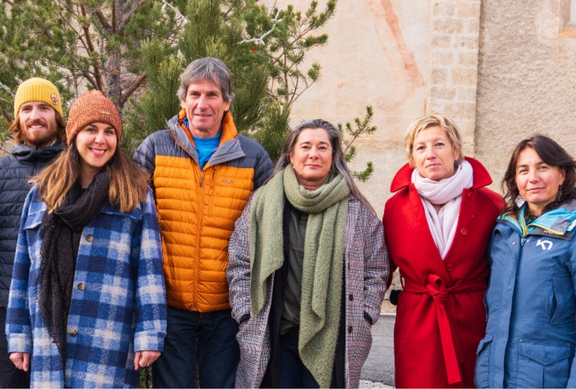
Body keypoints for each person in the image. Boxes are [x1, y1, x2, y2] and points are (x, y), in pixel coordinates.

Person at [5, 90, 166, 387]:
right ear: (73, 135)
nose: (100, 140)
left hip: (107, 334)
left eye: (109, 132)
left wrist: (150, 333)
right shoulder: (42, 194)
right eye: (90, 129)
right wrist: (17, 334)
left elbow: (149, 270)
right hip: (48, 337)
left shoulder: (135, 195)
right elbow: (22, 270)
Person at [132, 56, 273, 388]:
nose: (202, 104)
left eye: (212, 95)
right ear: (182, 100)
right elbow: (125, 210)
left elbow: (278, 219)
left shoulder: (252, 156)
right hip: (170, 303)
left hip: (227, 308)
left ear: (226, 102)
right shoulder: (156, 146)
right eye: (194, 94)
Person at [227, 119, 389, 388]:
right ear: (291, 155)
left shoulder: (356, 210)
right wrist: (245, 312)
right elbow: (239, 262)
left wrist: (365, 316)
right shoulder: (263, 201)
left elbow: (377, 269)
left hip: (332, 339)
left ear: (333, 156)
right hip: (276, 336)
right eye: (306, 146)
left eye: (322, 147)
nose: (313, 154)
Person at [383, 114, 503, 388]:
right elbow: (381, 268)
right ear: (411, 157)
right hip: (418, 321)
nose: (430, 154)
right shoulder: (395, 208)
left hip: (472, 319)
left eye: (439, 144)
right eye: (421, 147)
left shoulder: (490, 203)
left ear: (456, 150)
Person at [0, 77, 66, 388]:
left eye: (44, 107)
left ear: (57, 116)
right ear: (17, 118)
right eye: (26, 108)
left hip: (63, 311)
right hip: (8, 311)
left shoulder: (74, 168)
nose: (35, 115)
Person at [475, 134, 576, 388]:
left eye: (543, 167)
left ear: (562, 174)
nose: (533, 178)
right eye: (523, 170)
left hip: (549, 378)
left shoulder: (571, 231)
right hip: (494, 374)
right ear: (515, 179)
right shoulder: (503, 231)